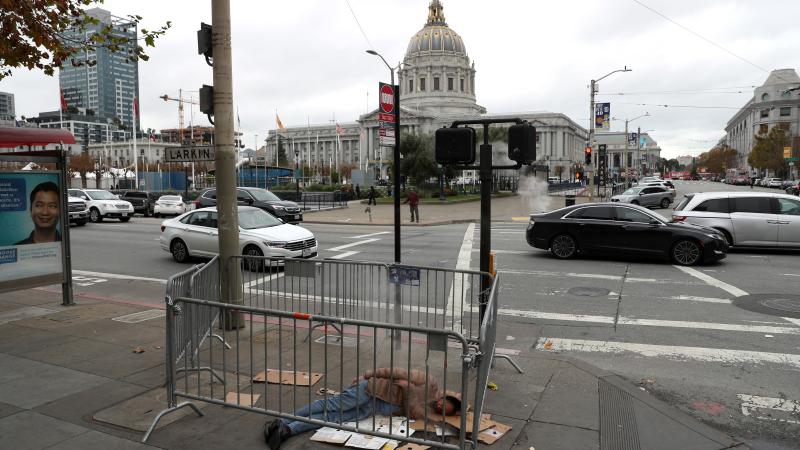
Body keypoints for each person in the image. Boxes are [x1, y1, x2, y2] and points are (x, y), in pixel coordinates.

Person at [263, 368, 460, 450]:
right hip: (369, 390)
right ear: (443, 397)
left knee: (331, 418)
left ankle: (287, 430)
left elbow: (411, 411)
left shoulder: (426, 411)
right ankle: (283, 420)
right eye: (444, 403)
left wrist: (408, 390)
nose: (441, 406)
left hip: (372, 409)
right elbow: (398, 371)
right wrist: (368, 375)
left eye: (445, 410)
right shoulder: (430, 382)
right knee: (329, 405)